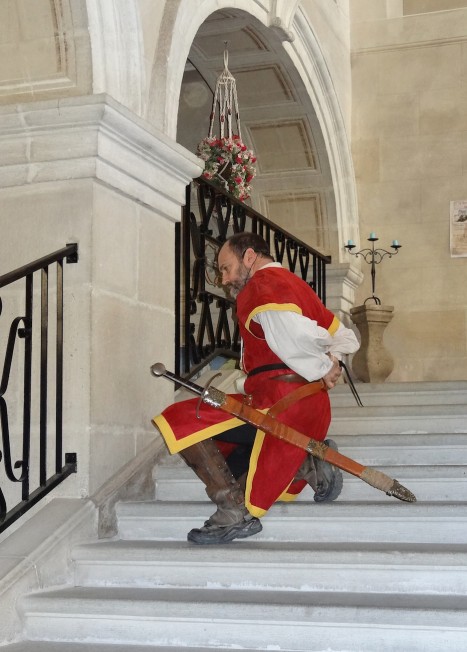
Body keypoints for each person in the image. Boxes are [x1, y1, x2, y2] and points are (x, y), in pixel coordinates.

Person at [152, 232, 359, 545]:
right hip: (305, 408)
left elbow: (294, 342)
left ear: (249, 257)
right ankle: (309, 462)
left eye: (226, 268)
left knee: (180, 417)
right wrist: (333, 364)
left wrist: (323, 368)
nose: (223, 279)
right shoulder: (297, 286)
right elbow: (346, 338)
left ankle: (234, 514)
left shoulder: (262, 286)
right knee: (233, 470)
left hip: (283, 405)